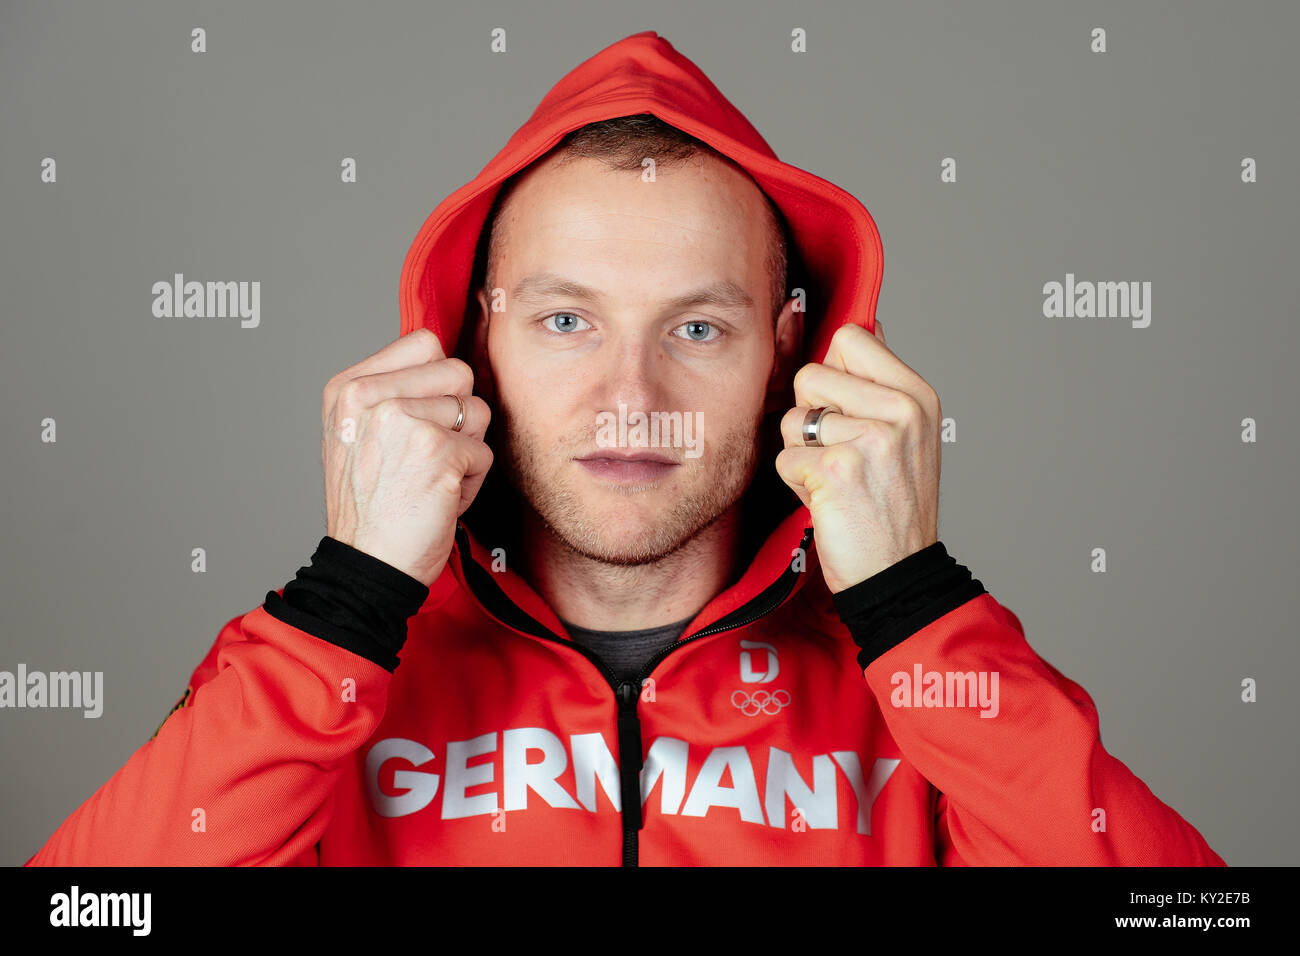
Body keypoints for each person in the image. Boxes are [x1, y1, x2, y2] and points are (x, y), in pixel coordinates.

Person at [26, 31, 1225, 866]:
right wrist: (345, 600)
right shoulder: (333, 683)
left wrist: (917, 609)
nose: (630, 393)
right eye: (565, 320)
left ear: (792, 354)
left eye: (697, 326)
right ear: (468, 343)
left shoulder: (918, 695)